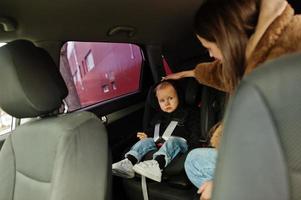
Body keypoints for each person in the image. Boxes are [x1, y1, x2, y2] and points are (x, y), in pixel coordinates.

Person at [163, 0, 301, 199]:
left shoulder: (292, 47)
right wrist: (185, 74)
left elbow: (286, 143)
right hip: (259, 157)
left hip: (278, 166)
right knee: (194, 160)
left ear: (225, 38)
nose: (210, 54)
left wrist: (224, 181)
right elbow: (220, 73)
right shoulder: (251, 55)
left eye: (209, 47)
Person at [112, 80, 200, 182]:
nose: (167, 103)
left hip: (180, 145)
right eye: (162, 100)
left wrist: (194, 148)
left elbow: (195, 132)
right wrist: (147, 135)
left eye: (170, 98)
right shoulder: (159, 116)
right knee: (144, 142)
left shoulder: (189, 113)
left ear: (179, 96)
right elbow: (154, 130)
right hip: (159, 143)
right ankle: (129, 162)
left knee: (172, 140)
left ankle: (157, 165)